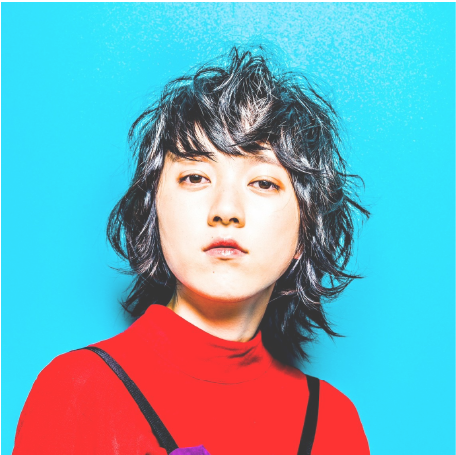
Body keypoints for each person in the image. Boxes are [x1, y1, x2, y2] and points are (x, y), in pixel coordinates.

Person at [12, 47, 370, 455]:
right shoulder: (79, 391)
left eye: (263, 183)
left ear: (305, 233)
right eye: (195, 177)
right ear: (154, 213)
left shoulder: (332, 423)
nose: (226, 210)